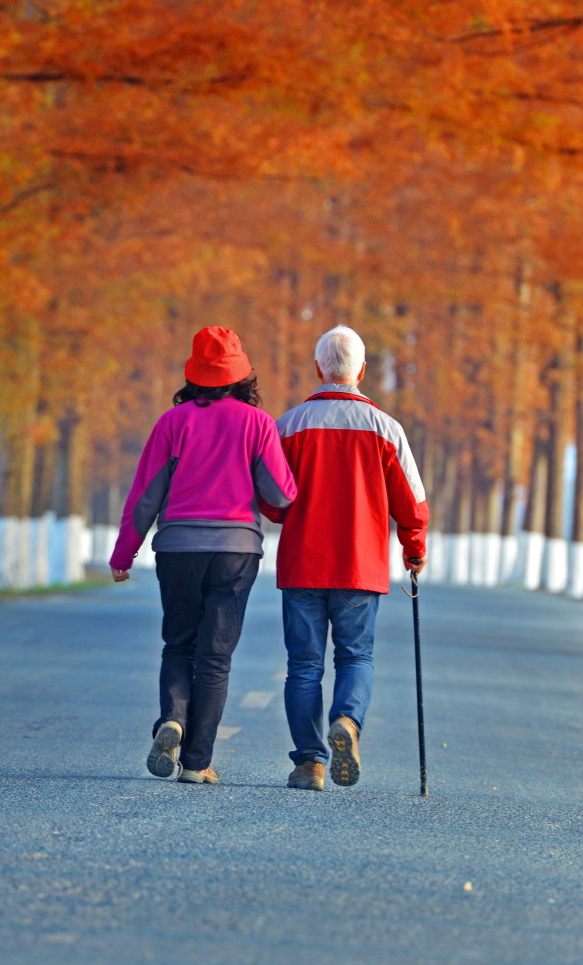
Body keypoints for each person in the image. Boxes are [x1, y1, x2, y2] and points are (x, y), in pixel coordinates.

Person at [110, 326, 297, 785]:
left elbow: (146, 496)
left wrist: (123, 553)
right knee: (215, 658)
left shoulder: (171, 424)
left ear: (195, 374)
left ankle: (172, 718)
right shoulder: (258, 424)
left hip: (178, 549)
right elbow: (281, 494)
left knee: (178, 644)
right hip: (235, 553)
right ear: (241, 376)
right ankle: (196, 763)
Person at [260, 325, 429, 791]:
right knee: (356, 657)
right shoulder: (385, 428)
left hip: (303, 565)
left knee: (304, 665)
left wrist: (285, 513)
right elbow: (412, 503)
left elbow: (271, 498)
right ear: (361, 370)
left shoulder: (290, 425)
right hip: (360, 568)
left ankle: (309, 764)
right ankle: (348, 724)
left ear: (319, 369)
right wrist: (414, 549)